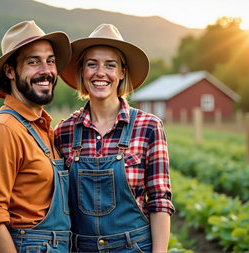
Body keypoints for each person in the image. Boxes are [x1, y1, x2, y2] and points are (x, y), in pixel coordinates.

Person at [54, 24, 175, 252]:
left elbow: (159, 202)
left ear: (122, 72)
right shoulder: (64, 132)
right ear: (82, 71)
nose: (101, 73)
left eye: (110, 65)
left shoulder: (148, 127)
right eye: (92, 64)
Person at [0, 20, 72, 253]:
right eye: (33, 62)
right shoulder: (4, 130)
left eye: (51, 61)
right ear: (10, 71)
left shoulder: (42, 128)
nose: (46, 70)